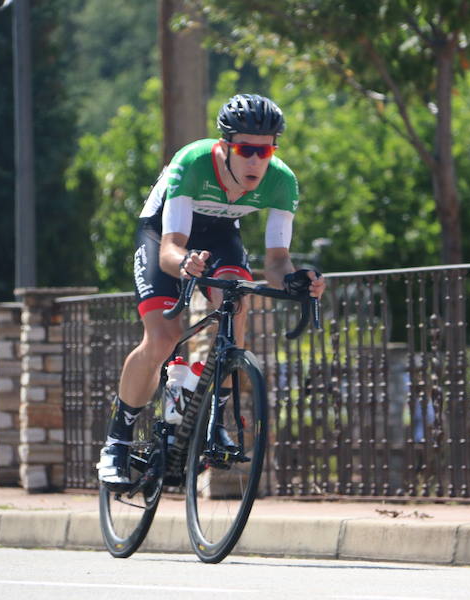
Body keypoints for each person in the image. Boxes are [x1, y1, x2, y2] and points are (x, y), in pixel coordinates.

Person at [97, 93, 325, 486]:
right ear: (225, 146)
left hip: (221, 237)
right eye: (246, 149)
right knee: (164, 338)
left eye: (266, 150)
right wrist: (185, 264)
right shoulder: (193, 163)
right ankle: (116, 443)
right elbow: (170, 249)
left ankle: (212, 420)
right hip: (163, 235)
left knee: (236, 309)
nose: (256, 160)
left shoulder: (282, 182)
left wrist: (295, 279)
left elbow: (275, 262)